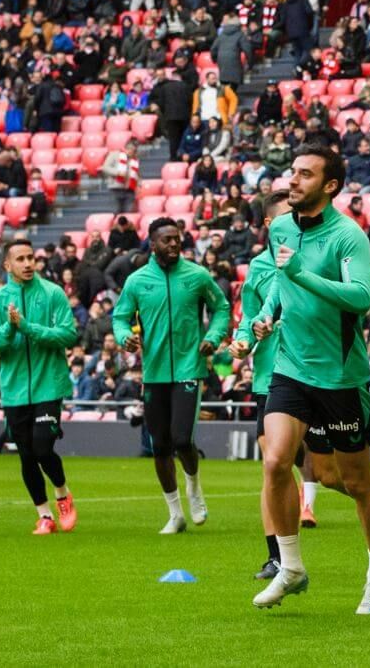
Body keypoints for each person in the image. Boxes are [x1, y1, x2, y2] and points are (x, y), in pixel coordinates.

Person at [233, 143, 370, 615]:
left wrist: (301, 273)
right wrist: (265, 315)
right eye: (292, 172)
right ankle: (292, 566)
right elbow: (280, 282)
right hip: (290, 367)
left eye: (304, 174)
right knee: (276, 460)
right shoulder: (280, 226)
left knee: (357, 484)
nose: (293, 180)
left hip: (340, 375)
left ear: (330, 185)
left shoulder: (349, 236)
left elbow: (361, 298)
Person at [112, 218, 231, 534]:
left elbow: (221, 308)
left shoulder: (197, 275)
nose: (175, 244)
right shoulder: (137, 281)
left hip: (190, 368)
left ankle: (194, 486)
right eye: (167, 240)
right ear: (153, 244)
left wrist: (214, 337)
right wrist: (125, 336)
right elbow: (120, 317)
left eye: (177, 238)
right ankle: (175, 514)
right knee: (160, 445)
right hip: (153, 373)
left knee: (181, 439)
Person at [0, 239, 80, 535]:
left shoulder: (53, 293)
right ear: (7, 266)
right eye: (20, 259)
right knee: (26, 454)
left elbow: (68, 335)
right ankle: (44, 515)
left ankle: (62, 494)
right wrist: (10, 328)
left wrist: (27, 327)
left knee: (42, 447)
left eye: (30, 258)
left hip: (49, 384)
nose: (27, 264)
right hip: (14, 390)